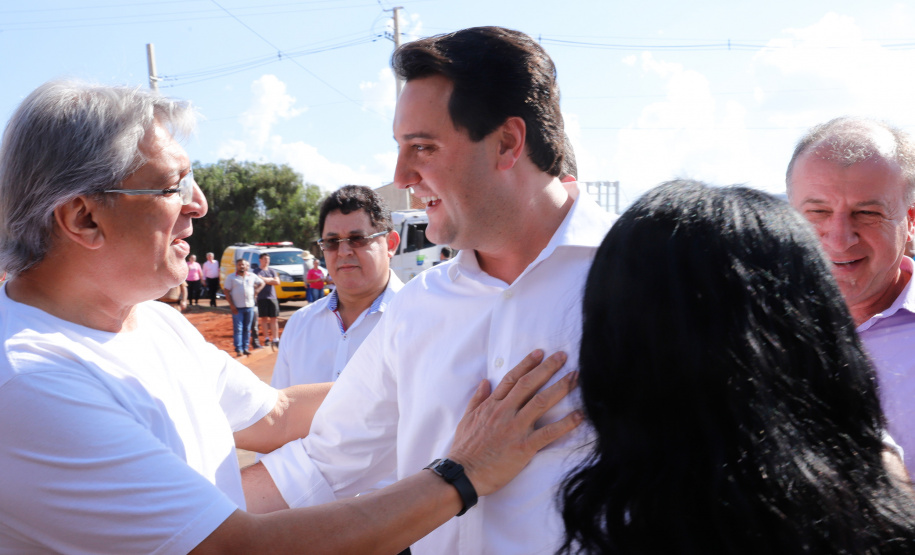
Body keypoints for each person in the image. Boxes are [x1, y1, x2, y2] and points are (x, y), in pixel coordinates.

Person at [0, 79, 581, 554]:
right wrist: (465, 472)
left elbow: (275, 415)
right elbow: (237, 548)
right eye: (174, 185)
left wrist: (427, 366)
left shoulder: (150, 323)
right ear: (82, 219)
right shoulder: (29, 383)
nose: (200, 203)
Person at [249, 26, 614, 554]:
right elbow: (321, 465)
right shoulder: (417, 309)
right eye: (401, 148)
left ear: (508, 142)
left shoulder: (652, 280)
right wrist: (130, 523)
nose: (402, 176)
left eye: (422, 147)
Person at [560, 181, 915, 554]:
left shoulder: (594, 514)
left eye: (866, 212)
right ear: (814, 333)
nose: (841, 236)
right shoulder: (868, 506)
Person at [786, 117, 915, 471]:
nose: (840, 238)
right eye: (818, 212)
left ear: (911, 221)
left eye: (867, 213)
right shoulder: (747, 330)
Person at [272, 185, 403, 388]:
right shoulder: (299, 325)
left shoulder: (420, 319)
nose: (343, 251)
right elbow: (281, 411)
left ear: (391, 244)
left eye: (357, 239)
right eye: (332, 242)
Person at [223, 258, 264, 356]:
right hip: (237, 307)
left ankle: (245, 347)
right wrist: (232, 305)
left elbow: (262, 283)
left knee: (247, 328)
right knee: (238, 329)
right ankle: (239, 349)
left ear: (246, 266)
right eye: (240, 265)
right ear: (236, 266)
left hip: (250, 306)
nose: (241, 266)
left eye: (243, 265)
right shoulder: (231, 277)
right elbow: (226, 291)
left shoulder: (252, 276)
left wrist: (257, 291)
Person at [256, 252, 281, 349]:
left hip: (272, 297)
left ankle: (276, 339)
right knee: (264, 319)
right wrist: (270, 280)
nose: (267, 261)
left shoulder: (272, 271)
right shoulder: (256, 271)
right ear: (260, 260)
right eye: (265, 259)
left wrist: (264, 279)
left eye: (268, 259)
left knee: (274, 318)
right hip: (262, 297)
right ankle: (267, 338)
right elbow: (258, 281)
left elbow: (277, 282)